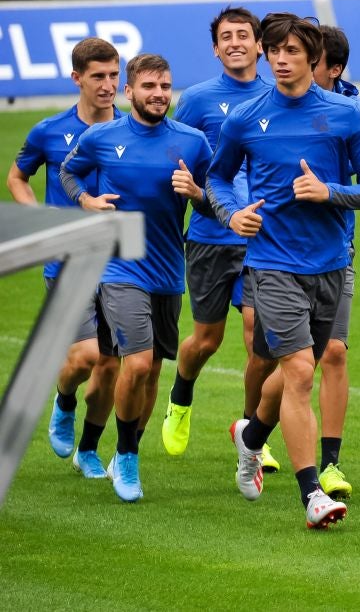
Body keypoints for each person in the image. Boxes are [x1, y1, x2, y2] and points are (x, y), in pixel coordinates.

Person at [207, 12, 360, 529]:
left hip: (330, 265)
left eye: (291, 51)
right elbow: (216, 180)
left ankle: (251, 437)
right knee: (303, 372)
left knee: (286, 377)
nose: (281, 60)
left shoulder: (348, 116)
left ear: (313, 57)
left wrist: (330, 192)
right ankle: (314, 494)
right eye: (274, 50)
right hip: (271, 265)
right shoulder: (243, 119)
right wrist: (231, 213)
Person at [59, 53, 214, 502]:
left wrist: (198, 194)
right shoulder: (102, 137)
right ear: (130, 93)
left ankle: (118, 448)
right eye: (149, 87)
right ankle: (126, 457)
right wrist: (86, 200)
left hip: (168, 270)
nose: (159, 94)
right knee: (137, 363)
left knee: (148, 377)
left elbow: (212, 200)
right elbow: (69, 172)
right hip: (119, 266)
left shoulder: (193, 142)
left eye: (165, 86)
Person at [160, 7, 277, 473]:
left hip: (262, 239)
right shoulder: (198, 100)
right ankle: (182, 394)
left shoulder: (276, 95)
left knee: (259, 343)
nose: (235, 43)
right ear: (215, 48)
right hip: (210, 235)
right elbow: (175, 157)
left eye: (243, 36)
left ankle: (251, 435)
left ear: (259, 45)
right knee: (205, 341)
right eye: (226, 37)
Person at [7, 37, 123, 478]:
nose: (108, 85)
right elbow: (17, 177)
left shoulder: (131, 131)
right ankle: (65, 398)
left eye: (114, 75)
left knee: (111, 365)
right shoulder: (49, 131)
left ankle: (89, 448)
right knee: (86, 358)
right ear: (77, 78)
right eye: (98, 76)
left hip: (121, 263)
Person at [306, 22, 360, 500]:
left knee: (333, 352)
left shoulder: (353, 113)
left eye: (312, 61)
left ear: (334, 69)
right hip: (277, 254)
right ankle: (253, 434)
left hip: (336, 249)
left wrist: (329, 193)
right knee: (286, 364)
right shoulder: (272, 111)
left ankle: (329, 464)